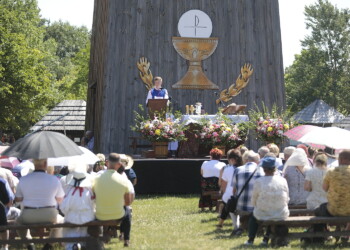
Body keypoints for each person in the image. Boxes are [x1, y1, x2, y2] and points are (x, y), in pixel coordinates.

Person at [15, 159, 65, 250]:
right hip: (50, 215)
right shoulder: (54, 179)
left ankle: (29, 244)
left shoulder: (24, 179)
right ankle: (49, 245)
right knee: (61, 222)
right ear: (45, 164)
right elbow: (60, 199)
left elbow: (18, 199)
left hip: (28, 215)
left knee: (18, 223)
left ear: (34, 164)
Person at [245, 157, 289, 247]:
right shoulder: (282, 180)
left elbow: (254, 198)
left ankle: (250, 239)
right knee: (272, 211)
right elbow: (287, 197)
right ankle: (265, 238)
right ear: (275, 168)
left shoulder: (259, 181)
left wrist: (255, 205)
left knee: (254, 217)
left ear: (263, 169)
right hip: (281, 212)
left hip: (263, 212)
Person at [93, 153, 133, 247]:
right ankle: (126, 239)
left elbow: (93, 195)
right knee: (127, 210)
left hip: (99, 214)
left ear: (106, 163)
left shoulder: (96, 177)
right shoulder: (123, 179)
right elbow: (128, 201)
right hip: (117, 214)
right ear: (119, 165)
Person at [313, 150, 350, 240]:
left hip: (333, 210)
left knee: (318, 210)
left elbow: (325, 188)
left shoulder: (331, 171)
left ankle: (325, 233)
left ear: (340, 159)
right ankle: (346, 232)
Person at [60, 160, 95, 250]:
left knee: (69, 226)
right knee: (85, 226)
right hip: (88, 216)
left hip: (71, 216)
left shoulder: (65, 182)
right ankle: (82, 244)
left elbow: (63, 206)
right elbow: (94, 202)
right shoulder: (91, 181)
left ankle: (71, 246)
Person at [231, 150, 264, 236]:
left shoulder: (238, 170)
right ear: (257, 160)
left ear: (245, 160)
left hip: (242, 206)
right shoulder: (263, 171)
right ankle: (257, 228)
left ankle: (243, 226)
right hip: (259, 207)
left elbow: (233, 190)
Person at [217, 149, 242, 233]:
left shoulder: (228, 169)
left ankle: (235, 226)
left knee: (227, 202)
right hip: (242, 196)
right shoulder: (243, 168)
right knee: (228, 202)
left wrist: (224, 193)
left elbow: (223, 185)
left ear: (231, 160)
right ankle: (221, 223)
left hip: (231, 196)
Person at [0, 177, 14, 250]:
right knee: (18, 213)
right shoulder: (2, 181)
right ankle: (5, 246)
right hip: (2, 216)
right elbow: (10, 202)